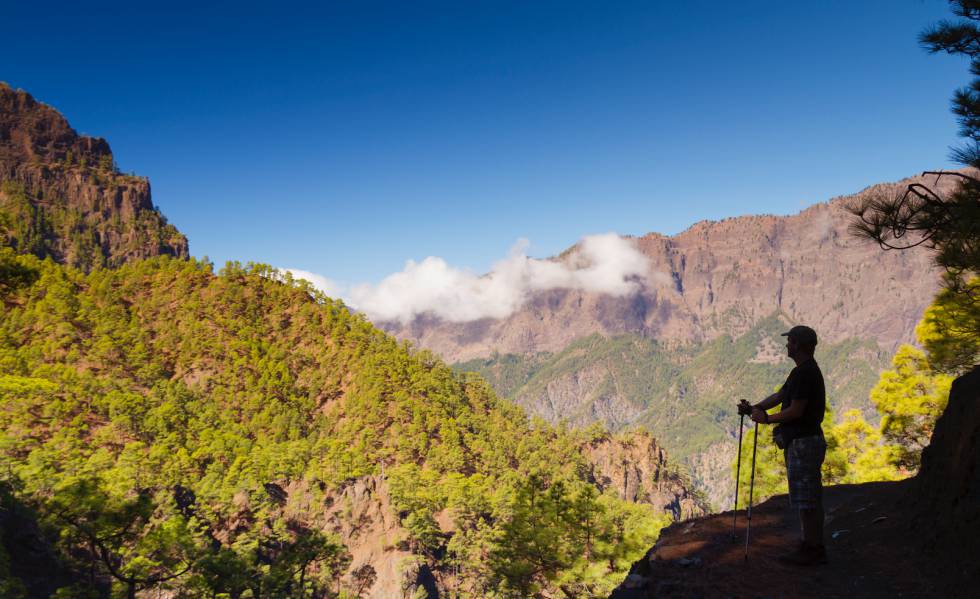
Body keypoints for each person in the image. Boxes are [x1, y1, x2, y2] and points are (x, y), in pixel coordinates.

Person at [738, 325, 827, 566]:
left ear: (797, 344)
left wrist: (766, 419)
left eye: (790, 342)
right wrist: (754, 408)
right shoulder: (801, 372)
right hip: (806, 440)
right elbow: (780, 396)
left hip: (803, 442)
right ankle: (811, 544)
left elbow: (795, 411)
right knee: (807, 498)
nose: (786, 345)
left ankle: (813, 549)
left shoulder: (804, 373)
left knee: (807, 500)